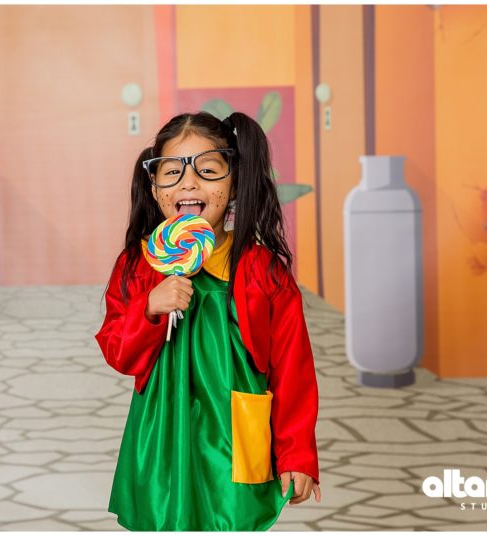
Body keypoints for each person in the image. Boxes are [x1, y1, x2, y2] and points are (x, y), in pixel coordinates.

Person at [95, 111, 320, 531]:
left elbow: (293, 369)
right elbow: (117, 352)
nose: (189, 183)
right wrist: (149, 308)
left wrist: (297, 453)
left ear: (234, 181)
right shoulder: (139, 265)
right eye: (172, 172)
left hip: (234, 435)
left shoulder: (262, 270)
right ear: (154, 186)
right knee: (164, 517)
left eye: (208, 170)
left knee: (230, 519)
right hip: (164, 430)